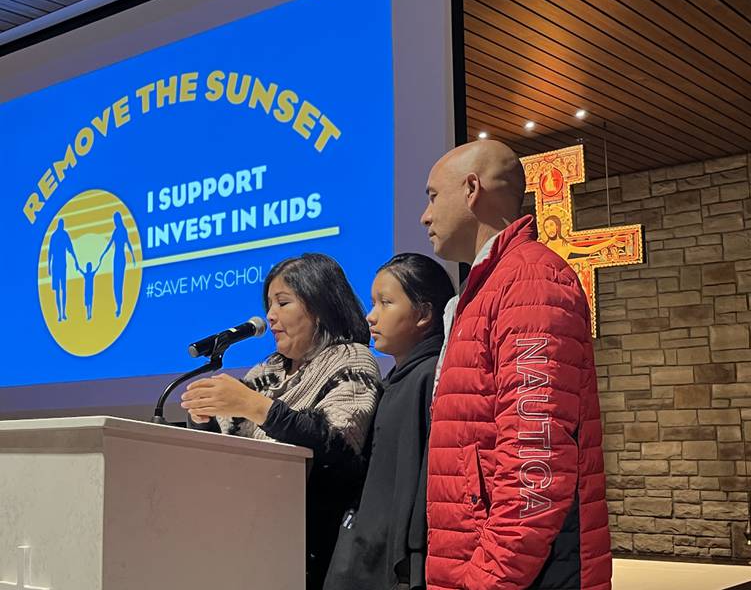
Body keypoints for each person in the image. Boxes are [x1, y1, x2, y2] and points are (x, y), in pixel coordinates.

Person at [420, 140, 611, 590]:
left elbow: (535, 462)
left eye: (431, 196)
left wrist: (486, 580)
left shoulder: (530, 280)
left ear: (471, 189)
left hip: (521, 576)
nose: (425, 216)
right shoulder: (490, 286)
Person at [179, 253, 382, 590]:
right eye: (269, 304)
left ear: (321, 305)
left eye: (283, 302)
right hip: (247, 536)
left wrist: (257, 407)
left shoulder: (352, 360)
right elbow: (229, 453)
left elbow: (337, 443)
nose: (270, 316)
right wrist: (205, 422)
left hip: (310, 548)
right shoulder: (268, 371)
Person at [324, 253, 455, 590]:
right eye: (372, 303)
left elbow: (418, 482)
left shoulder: (429, 378)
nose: (371, 316)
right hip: (369, 554)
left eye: (385, 303)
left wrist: (407, 561)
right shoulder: (398, 379)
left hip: (393, 566)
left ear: (424, 314)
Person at [99, 211, 136, 317]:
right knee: (115, 284)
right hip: (116, 258)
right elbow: (110, 243)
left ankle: (120, 307)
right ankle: (117, 305)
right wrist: (103, 254)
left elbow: (128, 243)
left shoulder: (123, 230)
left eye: (115, 220)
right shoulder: (115, 231)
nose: (114, 222)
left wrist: (133, 257)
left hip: (121, 258)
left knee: (120, 283)